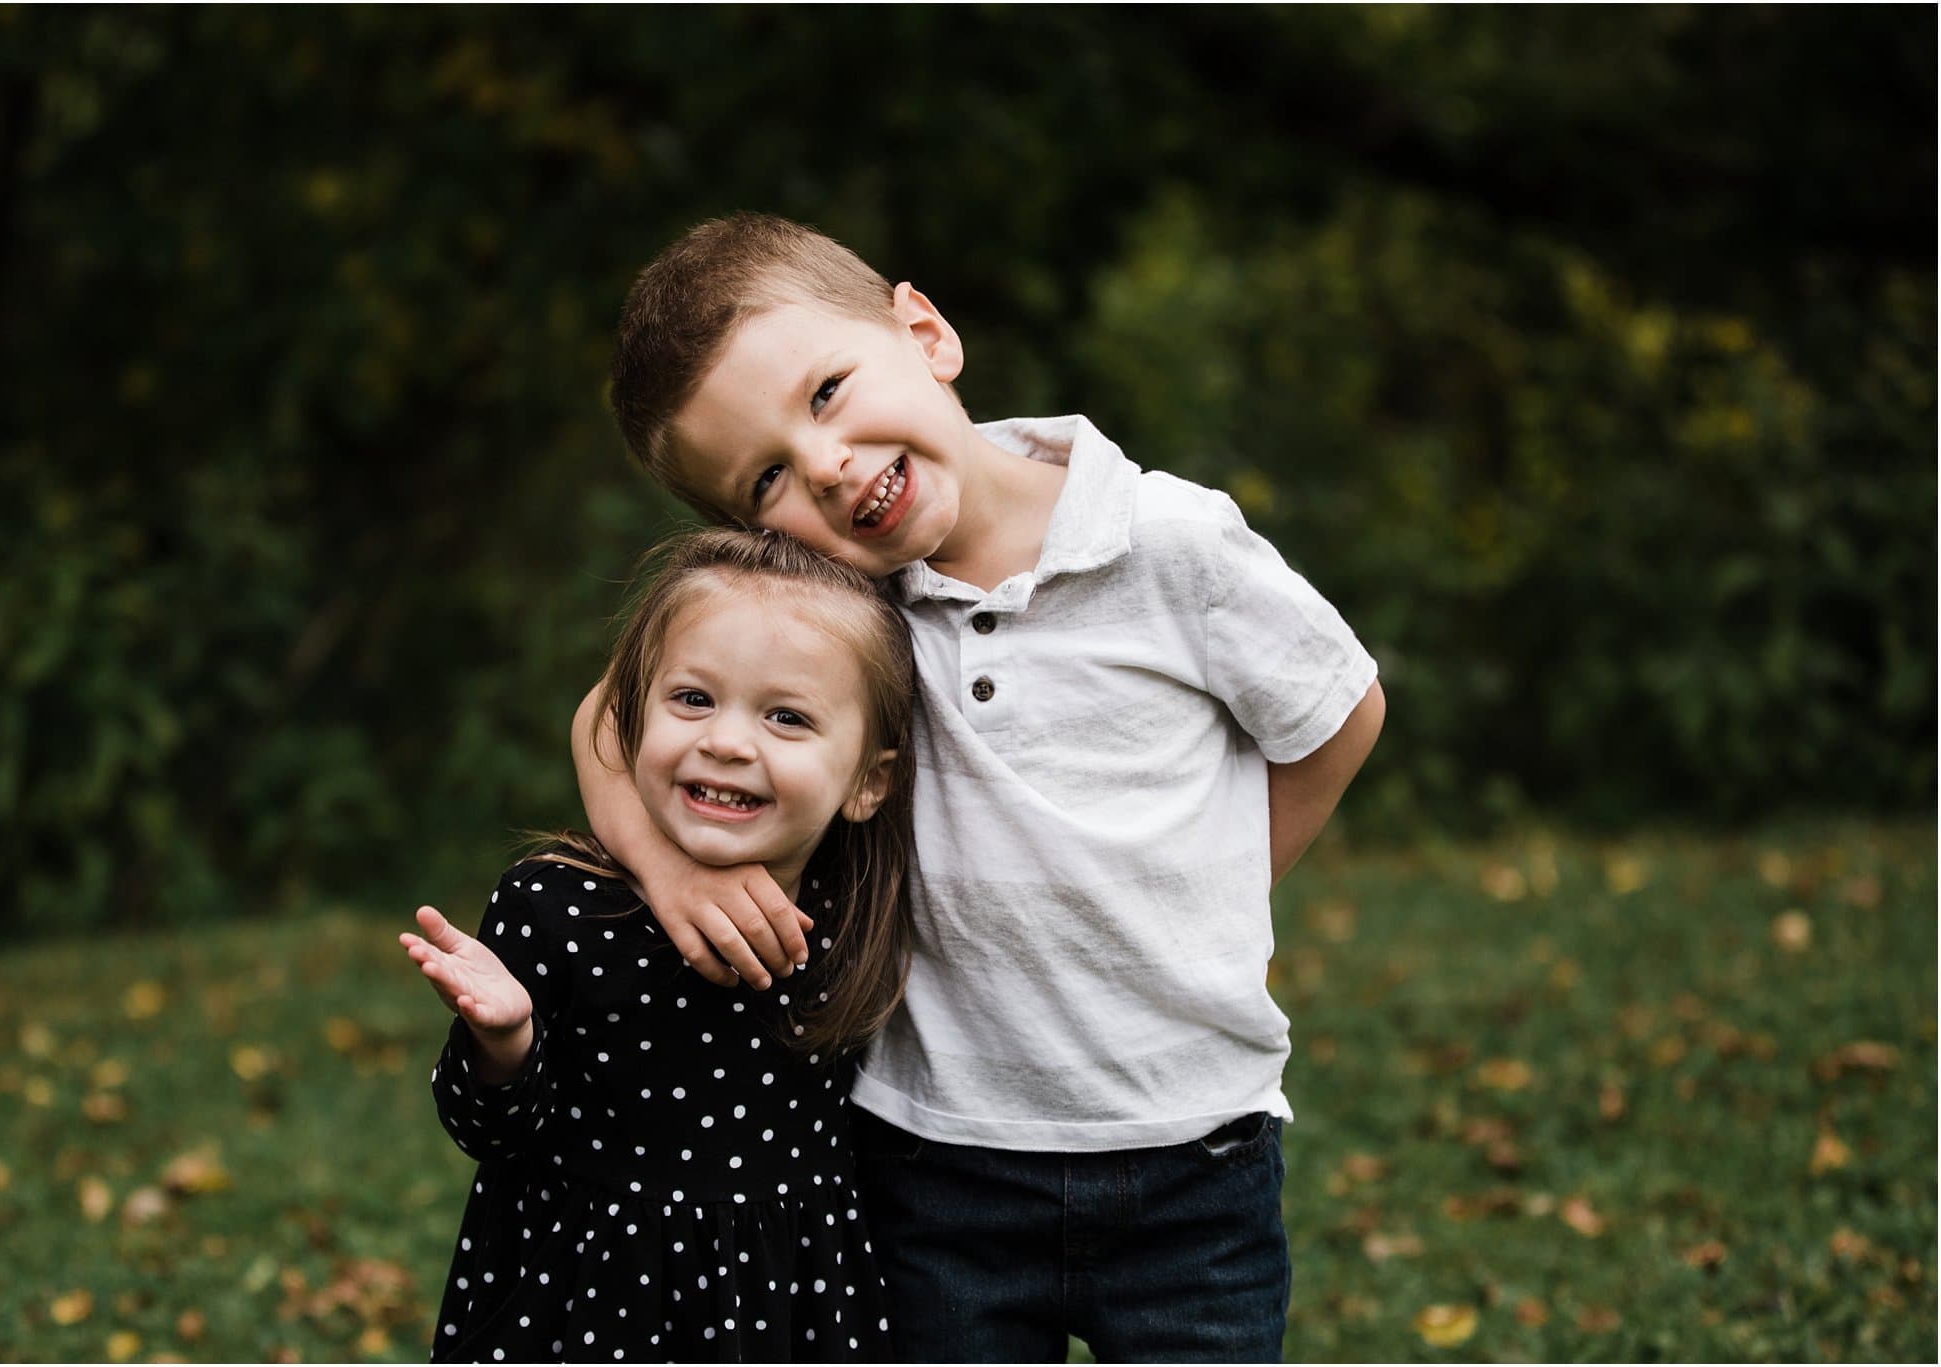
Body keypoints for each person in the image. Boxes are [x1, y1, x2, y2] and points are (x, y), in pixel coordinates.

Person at [574, 213, 1387, 1362]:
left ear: (924, 331)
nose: (829, 464)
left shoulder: (1166, 540)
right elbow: (605, 723)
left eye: (826, 392)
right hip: (932, 1156)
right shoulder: (835, 616)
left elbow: (1337, 710)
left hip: (1190, 1153)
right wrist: (665, 868)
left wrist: (1217, 887)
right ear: (760, 536)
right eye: (768, 479)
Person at [404, 527, 916, 1363]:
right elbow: (488, 1128)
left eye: (786, 716)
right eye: (692, 699)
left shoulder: (853, 910)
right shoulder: (558, 902)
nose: (725, 741)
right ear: (631, 715)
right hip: (585, 1295)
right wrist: (503, 1043)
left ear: (867, 781)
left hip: (787, 1300)